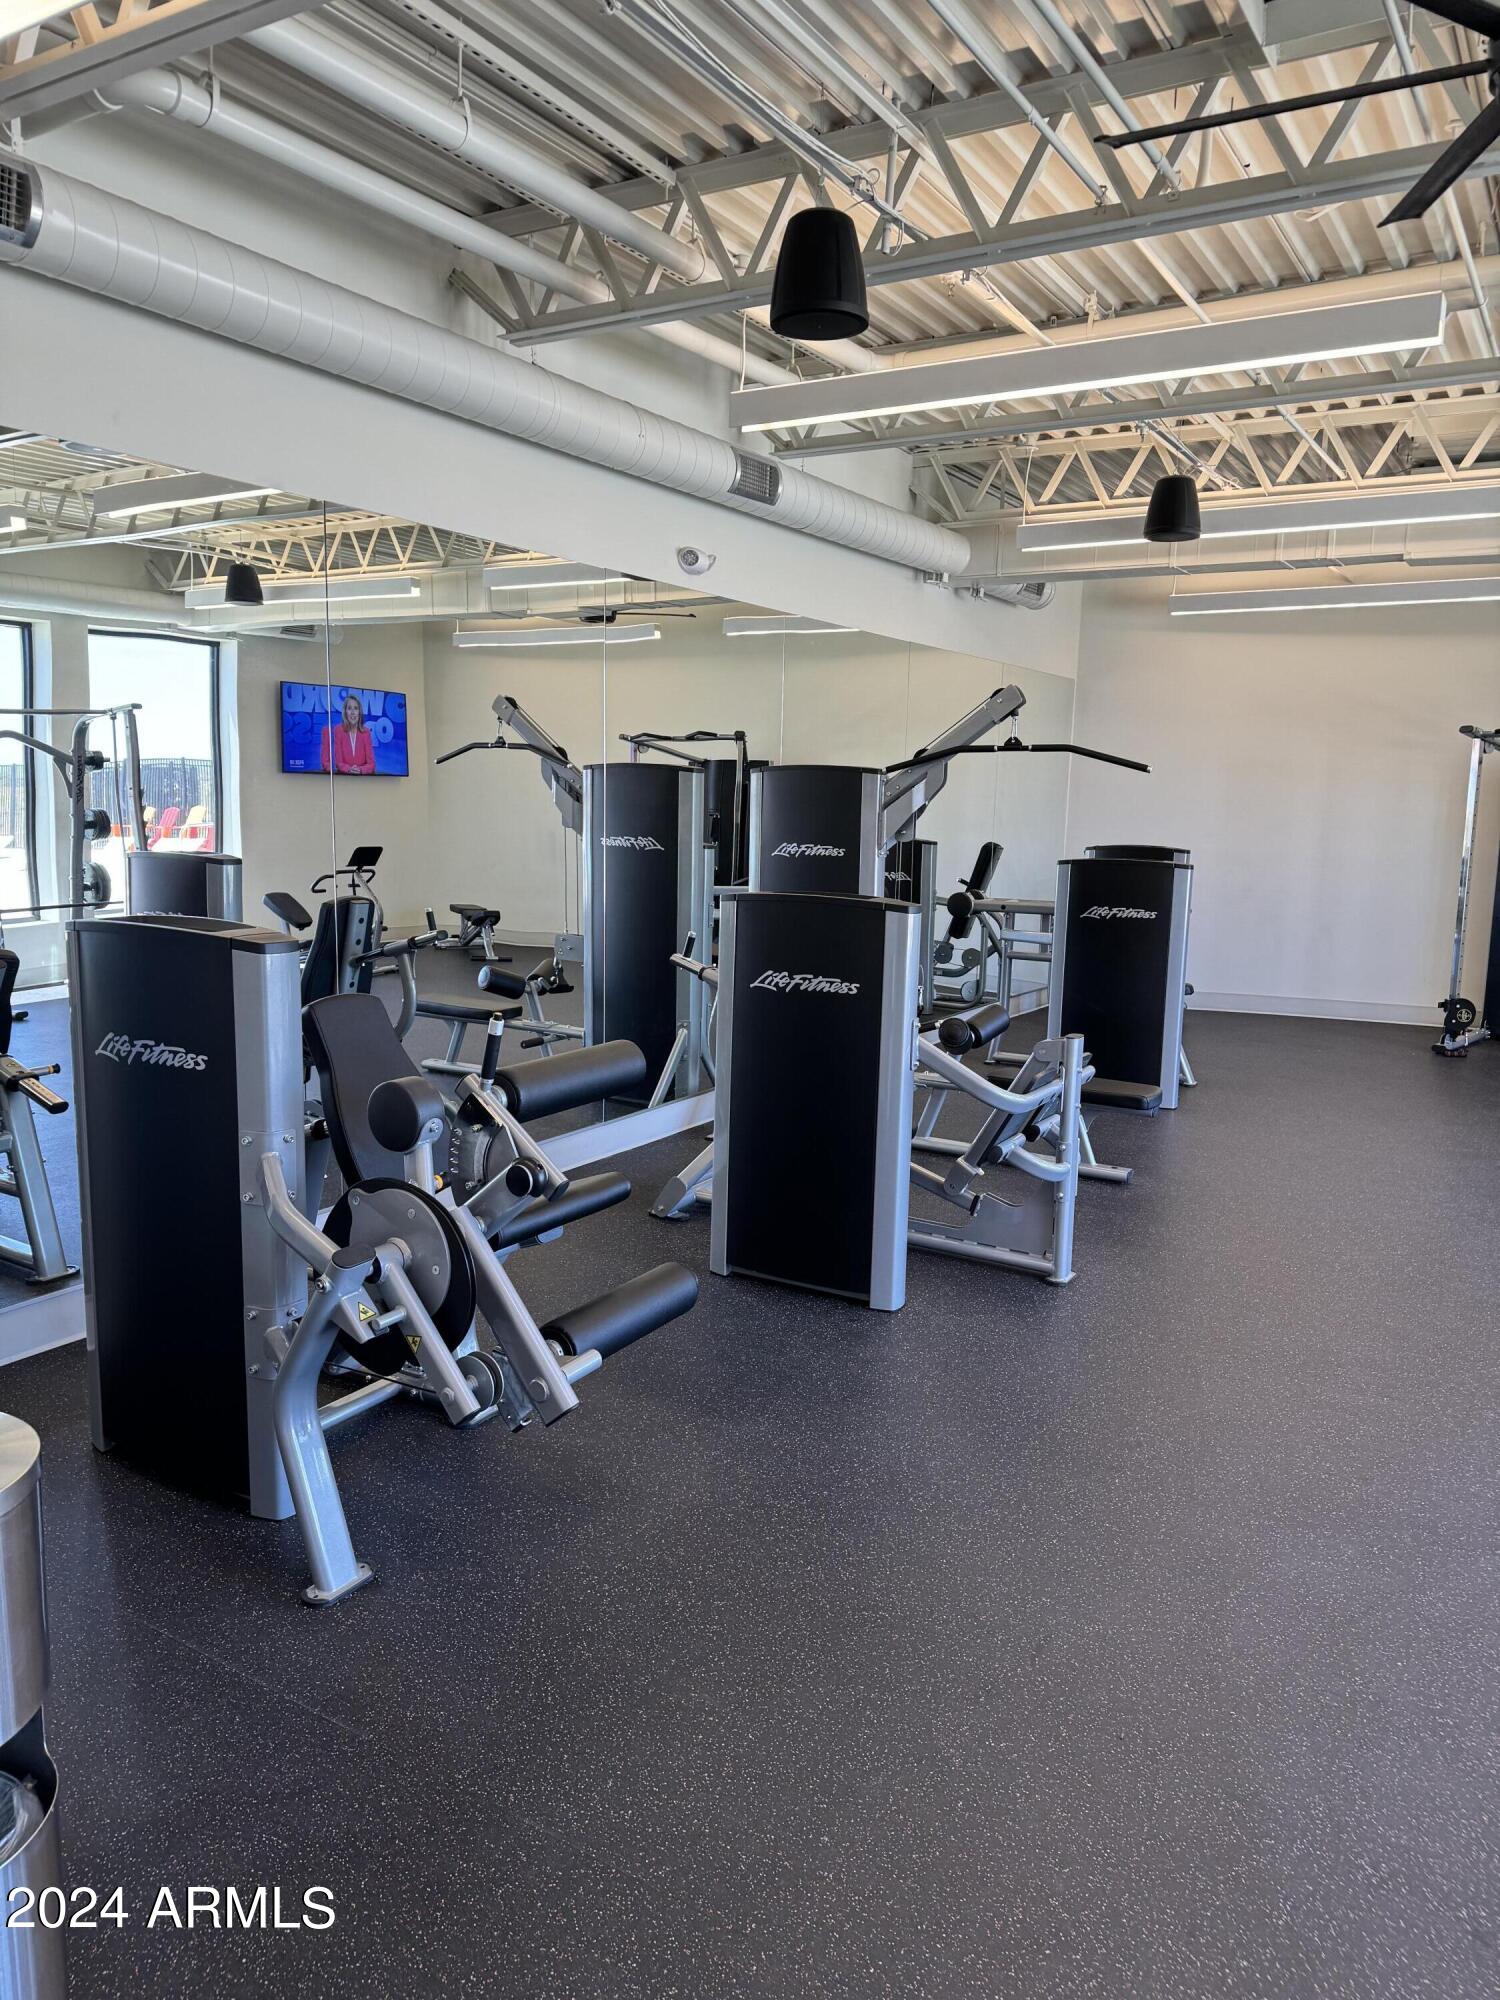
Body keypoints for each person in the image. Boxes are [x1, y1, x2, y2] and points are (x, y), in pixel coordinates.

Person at [321, 693, 376, 776]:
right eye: (349, 708)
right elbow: (339, 762)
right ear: (345, 712)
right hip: (343, 779)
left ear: (359, 712)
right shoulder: (338, 731)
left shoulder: (366, 732)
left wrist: (360, 769)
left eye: (356, 708)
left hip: (362, 781)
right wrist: (349, 769)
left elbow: (371, 764)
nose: (353, 712)